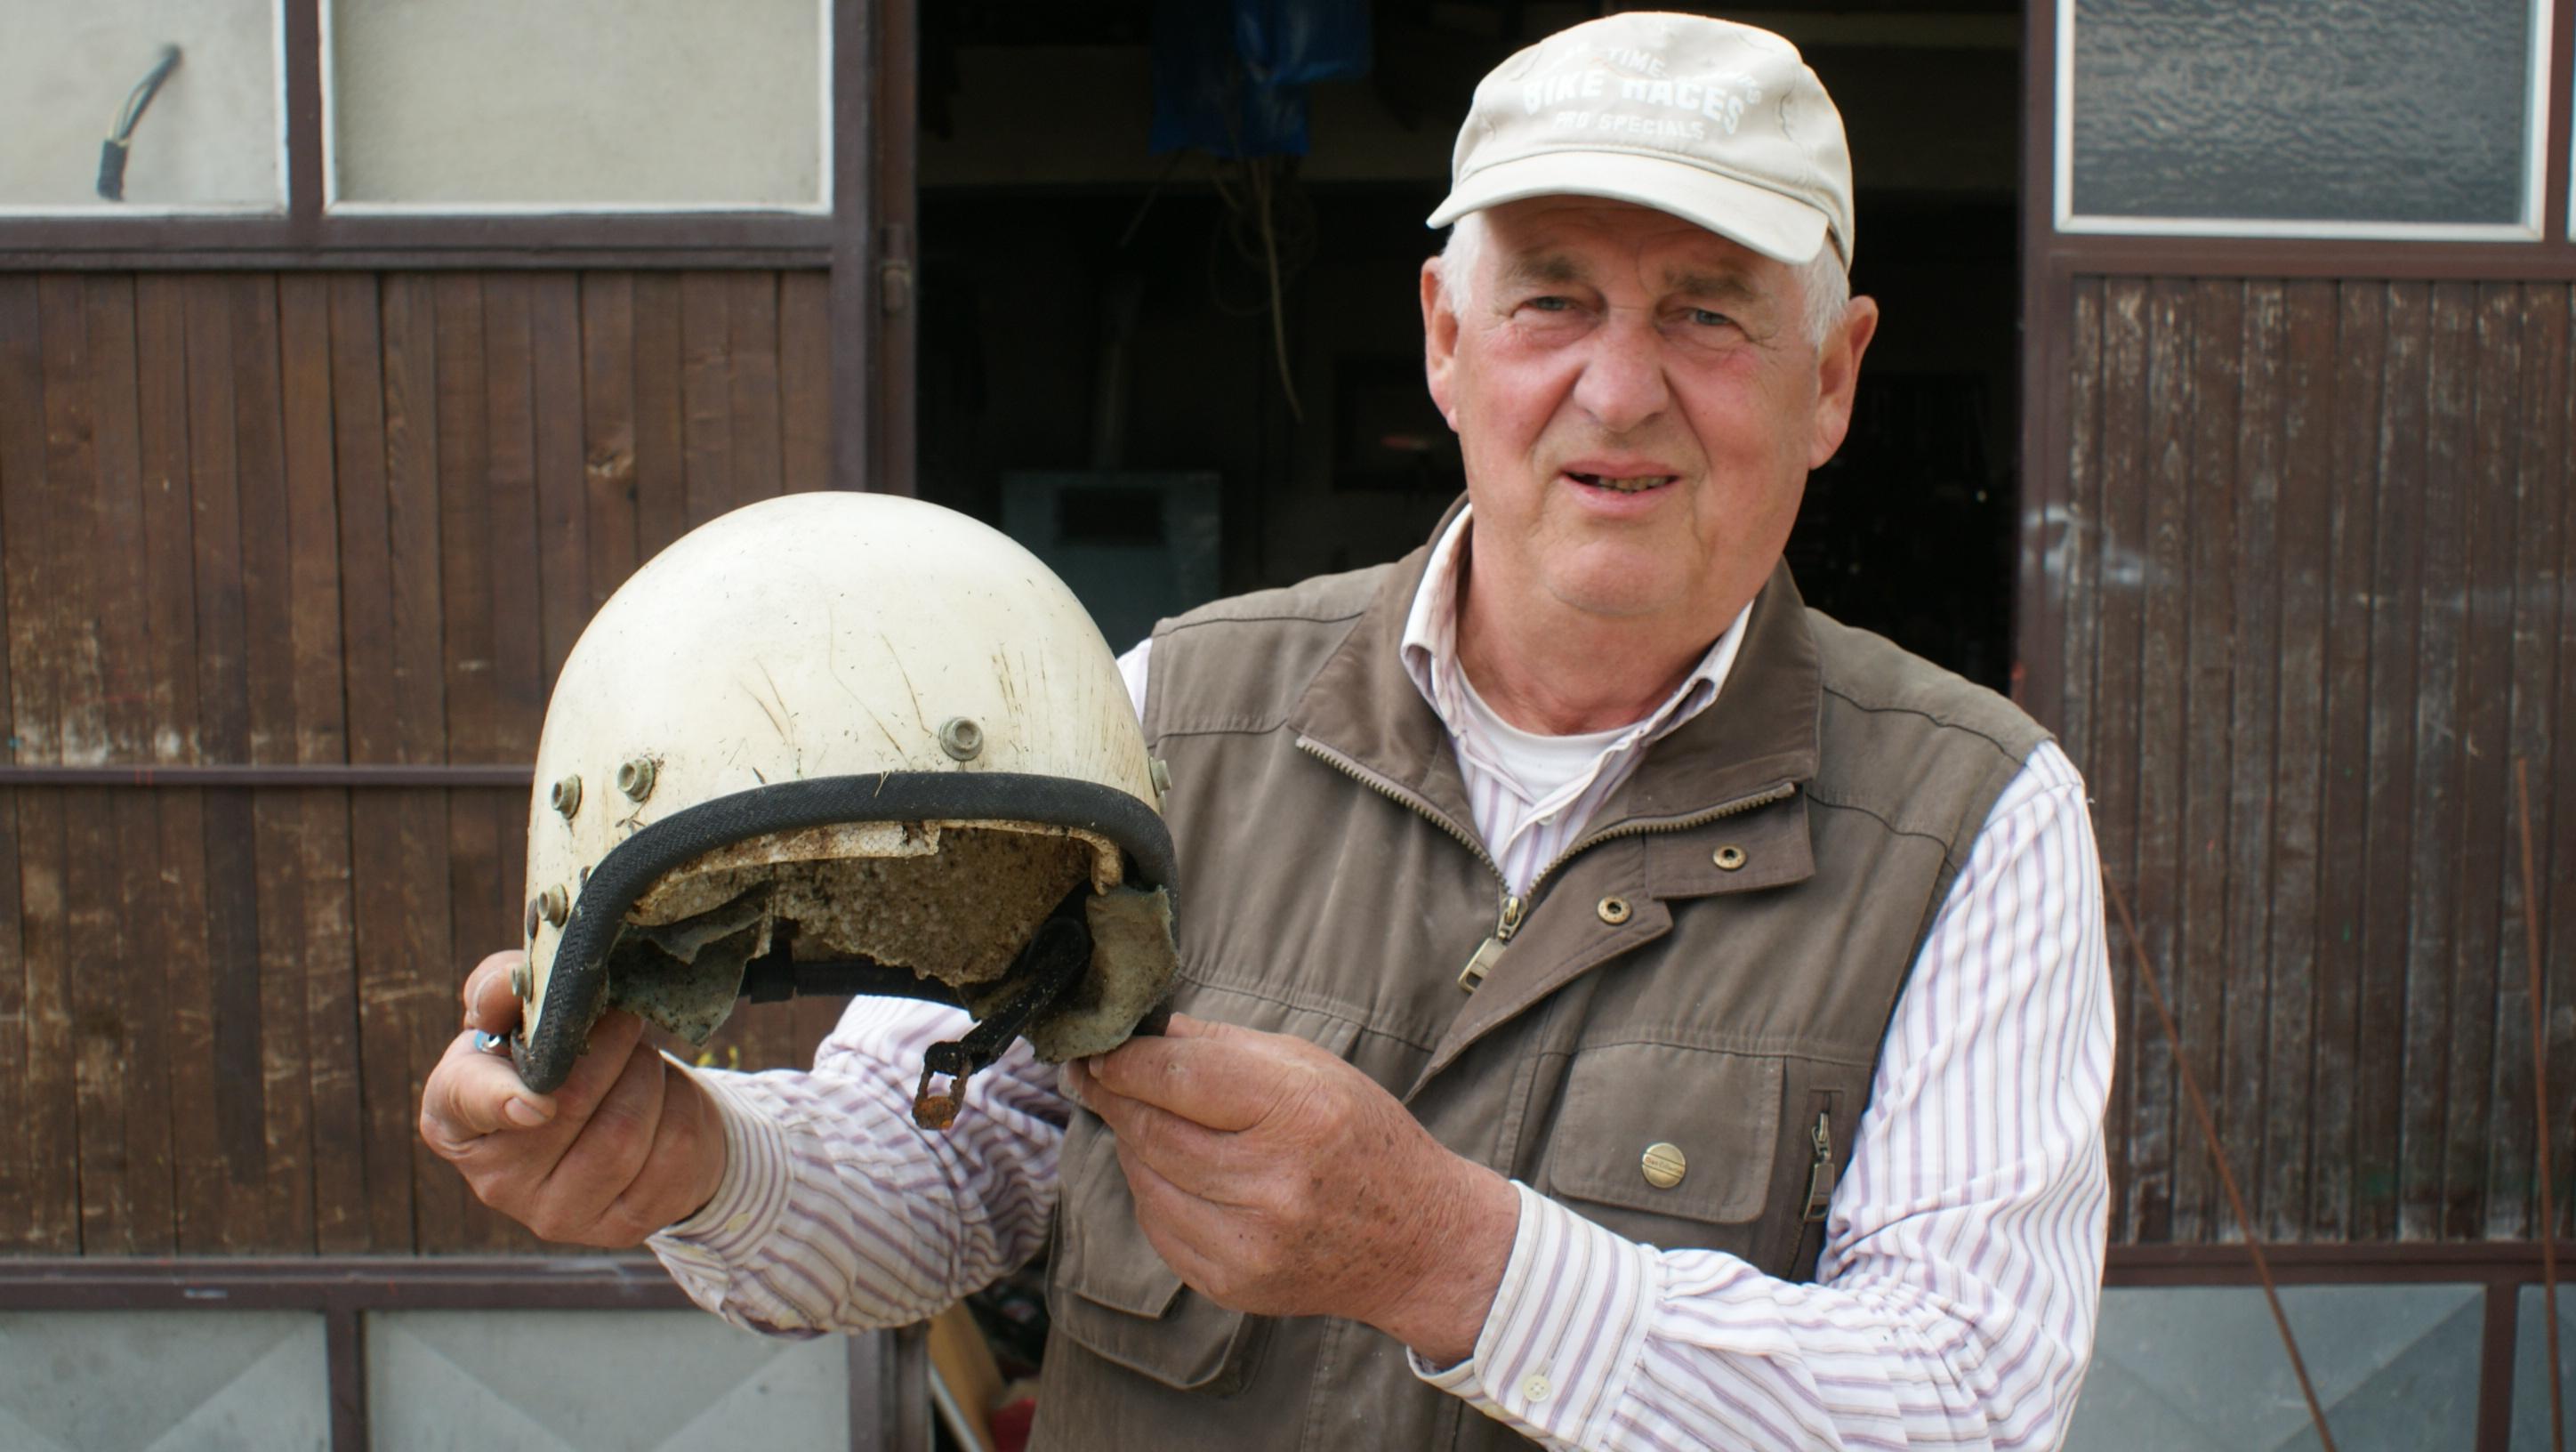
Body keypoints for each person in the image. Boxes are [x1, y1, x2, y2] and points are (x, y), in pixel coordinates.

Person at [421, 12, 2113, 1449]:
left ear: (1833, 374)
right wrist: (695, 1163)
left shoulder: (1981, 818)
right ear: (1449, 340)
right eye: (1551, 303)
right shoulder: (1165, 706)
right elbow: (944, 1181)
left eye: (1708, 310)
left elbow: (1966, 1404)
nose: (1616, 389)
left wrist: (1457, 1259)